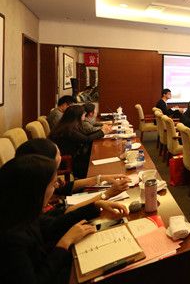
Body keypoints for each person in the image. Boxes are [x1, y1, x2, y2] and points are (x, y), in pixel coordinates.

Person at [0, 154, 129, 284]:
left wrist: (95, 206)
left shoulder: (22, 213)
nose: (57, 187)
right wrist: (64, 243)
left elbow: (52, 225)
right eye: (52, 184)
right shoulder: (11, 240)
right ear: (35, 192)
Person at [15, 139, 129, 202]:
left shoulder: (43, 180)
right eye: (58, 154)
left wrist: (100, 178)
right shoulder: (36, 198)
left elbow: (64, 187)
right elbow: (59, 216)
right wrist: (106, 194)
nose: (60, 157)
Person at [49, 105, 111, 178]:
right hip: (67, 161)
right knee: (96, 162)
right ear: (78, 116)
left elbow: (85, 135)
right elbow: (85, 139)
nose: (85, 115)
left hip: (73, 156)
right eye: (83, 114)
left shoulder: (67, 125)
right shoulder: (68, 129)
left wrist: (101, 132)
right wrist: (102, 132)